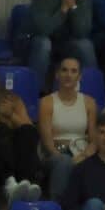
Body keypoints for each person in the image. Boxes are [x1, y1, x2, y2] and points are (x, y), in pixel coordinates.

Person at [24, 0, 96, 86]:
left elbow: (82, 32)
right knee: (44, 44)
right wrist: (63, 9)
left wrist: (73, 6)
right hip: (37, 40)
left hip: (67, 42)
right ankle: (35, 89)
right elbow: (43, 30)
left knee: (86, 45)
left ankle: (90, 88)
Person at [38, 53, 95, 199]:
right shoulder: (46, 102)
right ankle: (56, 205)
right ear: (57, 75)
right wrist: (68, 161)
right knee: (64, 162)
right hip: (56, 155)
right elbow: (47, 143)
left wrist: (83, 156)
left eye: (73, 71)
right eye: (64, 70)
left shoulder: (89, 103)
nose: (68, 75)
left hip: (82, 153)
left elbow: (94, 140)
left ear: (79, 76)